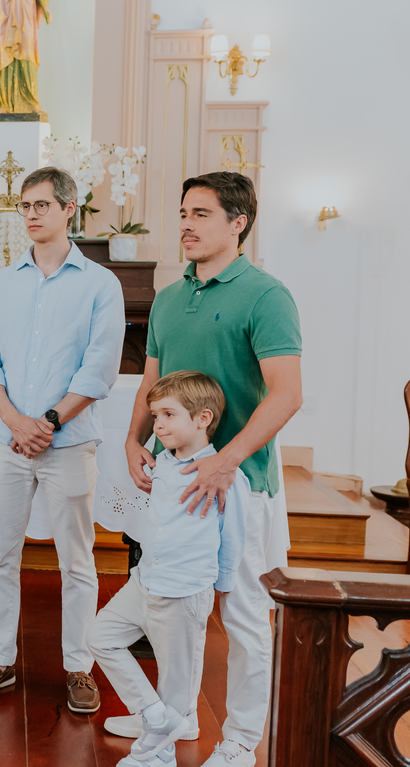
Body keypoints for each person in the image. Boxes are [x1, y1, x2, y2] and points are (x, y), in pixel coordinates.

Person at [115, 172, 302, 767]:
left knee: (245, 614)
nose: (187, 225)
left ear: (238, 222)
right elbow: (152, 381)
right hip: (177, 485)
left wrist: (225, 461)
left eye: (201, 214)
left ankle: (242, 739)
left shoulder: (267, 295)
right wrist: (132, 438)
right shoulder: (170, 297)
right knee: (178, 610)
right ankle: (180, 716)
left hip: (240, 484)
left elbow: (286, 394)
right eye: (183, 213)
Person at [0, 166, 124, 711]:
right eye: (25, 206)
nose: (31, 214)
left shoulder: (101, 284)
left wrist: (48, 423)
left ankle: (79, 666)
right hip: (5, 440)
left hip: (70, 441)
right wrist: (15, 421)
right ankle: (0, 660)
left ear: (68, 208)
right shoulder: (1, 282)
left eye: (41, 205)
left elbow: (98, 368)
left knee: (76, 560)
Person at [88, 371, 247, 767]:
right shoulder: (160, 462)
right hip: (144, 583)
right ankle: (153, 715)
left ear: (202, 418)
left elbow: (233, 535)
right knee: (99, 637)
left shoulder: (224, 475)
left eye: (168, 415)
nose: (157, 425)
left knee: (176, 684)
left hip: (183, 592)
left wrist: (221, 588)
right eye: (155, 415)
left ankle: (157, 757)